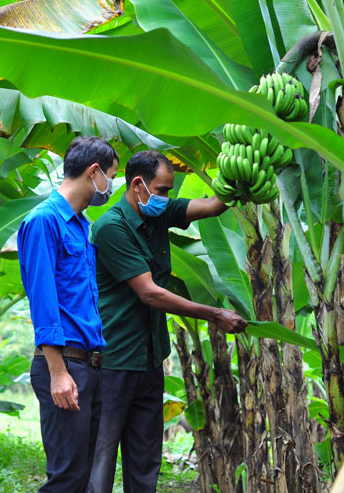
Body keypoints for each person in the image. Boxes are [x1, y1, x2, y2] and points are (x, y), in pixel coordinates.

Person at [88, 150, 247, 493]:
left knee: (146, 455)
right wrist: (214, 314)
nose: (167, 198)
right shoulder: (111, 228)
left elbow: (212, 206)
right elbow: (150, 293)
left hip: (150, 356)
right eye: (162, 190)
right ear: (138, 185)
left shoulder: (157, 210)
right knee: (102, 455)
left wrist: (243, 175)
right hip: (115, 358)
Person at [17, 136, 119, 493]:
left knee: (83, 478)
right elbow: (43, 301)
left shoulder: (80, 225)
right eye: (111, 175)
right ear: (94, 172)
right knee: (66, 479)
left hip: (89, 366)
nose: (111, 185)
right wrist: (58, 373)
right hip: (64, 366)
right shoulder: (44, 221)